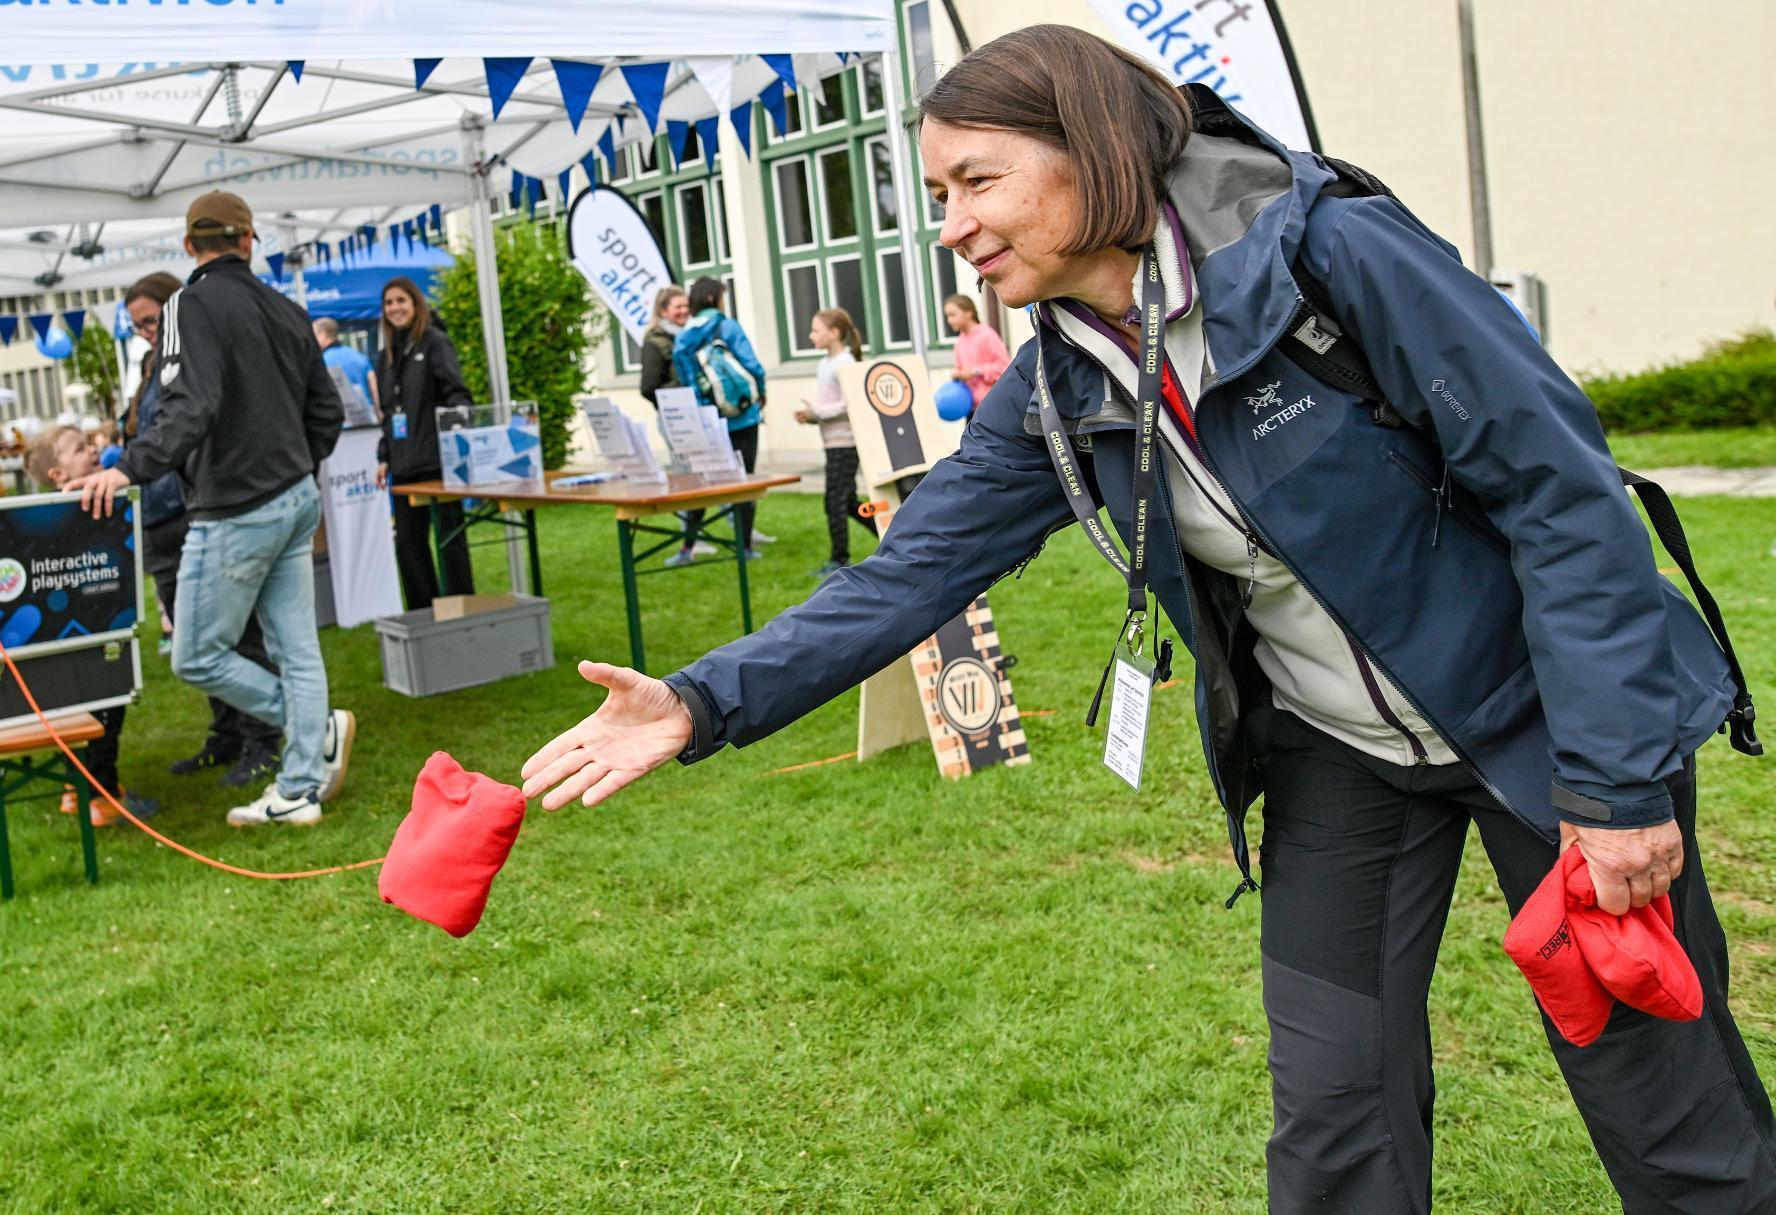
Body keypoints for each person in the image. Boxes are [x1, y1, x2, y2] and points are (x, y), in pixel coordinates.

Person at [520, 26, 1774, 1213]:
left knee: (1661, 1102)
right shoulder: (1059, 380)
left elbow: (1563, 498)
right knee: (1333, 1111)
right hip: (1344, 756)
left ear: (1094, 148)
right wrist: (699, 702)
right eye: (939, 194)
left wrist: (1614, 787)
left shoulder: (1330, 254)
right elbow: (907, 576)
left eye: (977, 182)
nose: (951, 227)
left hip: (1545, 720)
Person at [73, 190, 354, 828]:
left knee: (196, 654)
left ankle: (311, 737)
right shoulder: (287, 309)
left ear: (188, 245)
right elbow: (327, 413)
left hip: (236, 508)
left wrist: (126, 468)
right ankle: (299, 787)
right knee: (297, 649)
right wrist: (293, 463)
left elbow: (189, 407)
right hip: (293, 496)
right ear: (249, 240)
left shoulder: (188, 306)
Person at [119, 271, 287, 789]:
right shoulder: (152, 366)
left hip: (197, 513)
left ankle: (264, 738)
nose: (146, 331)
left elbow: (186, 430)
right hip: (158, 520)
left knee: (235, 635)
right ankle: (228, 733)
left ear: (174, 308)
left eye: (151, 320)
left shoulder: (198, 357)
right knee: (193, 638)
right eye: (137, 326)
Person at [23, 424, 157, 824]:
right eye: (80, 449)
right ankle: (101, 796)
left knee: (83, 711)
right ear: (58, 474)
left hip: (90, 629)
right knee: (101, 713)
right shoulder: (73, 513)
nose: (93, 450)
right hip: (90, 632)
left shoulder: (57, 513)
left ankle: (75, 787)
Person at [374, 275, 476, 610]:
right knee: (408, 545)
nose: (395, 308)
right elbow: (389, 412)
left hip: (438, 464)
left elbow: (457, 394)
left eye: (401, 301)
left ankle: (461, 613)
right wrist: (384, 456)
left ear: (415, 304)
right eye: (389, 303)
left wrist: (453, 437)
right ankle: (424, 615)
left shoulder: (435, 342)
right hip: (403, 467)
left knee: (450, 542)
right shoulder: (386, 355)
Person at [671, 276, 771, 555]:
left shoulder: (683, 336)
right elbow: (752, 365)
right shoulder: (727, 326)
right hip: (741, 416)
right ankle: (744, 547)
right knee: (744, 482)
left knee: (702, 483)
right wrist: (760, 393)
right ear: (713, 298)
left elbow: (685, 379)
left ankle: (687, 546)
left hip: (706, 420)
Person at [793, 309, 876, 580]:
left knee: (834, 502)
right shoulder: (824, 364)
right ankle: (889, 534)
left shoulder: (845, 362)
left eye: (816, 330)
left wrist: (817, 412)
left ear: (834, 333)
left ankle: (839, 558)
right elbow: (830, 405)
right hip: (832, 442)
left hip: (846, 443)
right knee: (849, 502)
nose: (811, 335)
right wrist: (811, 417)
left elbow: (849, 404)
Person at [637, 285, 716, 569]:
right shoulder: (655, 341)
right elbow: (648, 386)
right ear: (663, 311)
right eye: (677, 307)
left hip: (698, 414)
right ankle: (690, 540)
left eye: (686, 306)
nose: (684, 311)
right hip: (675, 418)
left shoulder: (691, 335)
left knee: (705, 474)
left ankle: (705, 536)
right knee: (686, 478)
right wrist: (672, 403)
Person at [943, 293, 1010, 411]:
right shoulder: (959, 342)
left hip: (993, 405)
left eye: (953, 315)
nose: (949, 320)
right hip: (971, 408)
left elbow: (1005, 367)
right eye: (947, 316)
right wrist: (958, 375)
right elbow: (961, 369)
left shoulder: (987, 335)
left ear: (969, 313)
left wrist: (977, 371)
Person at [313, 317, 376, 409]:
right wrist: (377, 409)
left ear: (324, 334)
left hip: (338, 414)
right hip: (366, 412)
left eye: (315, 335)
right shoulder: (358, 355)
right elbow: (373, 385)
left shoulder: (322, 361)